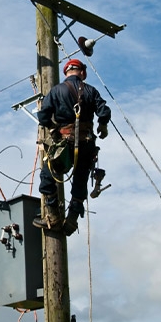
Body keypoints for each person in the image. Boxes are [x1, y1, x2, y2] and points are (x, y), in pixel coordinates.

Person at [34, 58, 111, 236]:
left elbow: (43, 116)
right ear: (82, 72)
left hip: (65, 144)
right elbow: (103, 110)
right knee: (80, 181)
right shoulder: (91, 91)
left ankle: (52, 216)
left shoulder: (56, 91)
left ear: (66, 73)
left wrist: (53, 128)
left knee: (48, 175)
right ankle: (72, 220)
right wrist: (103, 125)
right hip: (86, 144)